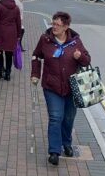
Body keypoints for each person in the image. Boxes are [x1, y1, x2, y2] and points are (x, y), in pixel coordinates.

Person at [31, 11, 91, 166]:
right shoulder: (45, 39)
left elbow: (87, 61)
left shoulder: (75, 41)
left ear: (66, 27)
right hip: (52, 86)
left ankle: (67, 144)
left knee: (68, 118)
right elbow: (36, 56)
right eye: (53, 23)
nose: (54, 27)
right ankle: (54, 152)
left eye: (58, 25)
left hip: (72, 88)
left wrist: (80, 57)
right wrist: (35, 74)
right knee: (56, 117)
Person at [0, 0, 22, 81]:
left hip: (0, 32)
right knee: (9, 53)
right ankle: (8, 73)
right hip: (12, 33)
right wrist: (19, 35)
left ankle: (0, 72)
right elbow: (18, 23)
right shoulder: (16, 8)